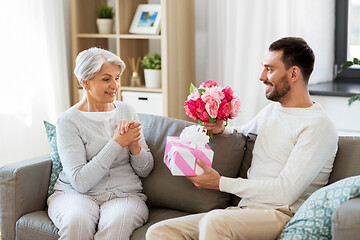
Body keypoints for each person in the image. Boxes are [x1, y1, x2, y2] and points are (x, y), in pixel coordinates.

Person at [146, 37, 338, 240]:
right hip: (244, 212)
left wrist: (219, 182)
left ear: (293, 73)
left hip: (281, 215)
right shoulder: (272, 111)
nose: (262, 76)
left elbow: (285, 192)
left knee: (215, 223)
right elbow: (242, 132)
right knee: (159, 232)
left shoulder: (318, 126)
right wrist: (220, 129)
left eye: (269, 69)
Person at [47, 47, 154, 240]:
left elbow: (145, 170)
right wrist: (117, 143)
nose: (115, 86)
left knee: (115, 228)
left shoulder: (127, 111)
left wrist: (134, 147)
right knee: (76, 225)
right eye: (106, 79)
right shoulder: (68, 121)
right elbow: (80, 182)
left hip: (124, 195)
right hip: (75, 195)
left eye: (117, 78)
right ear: (85, 82)